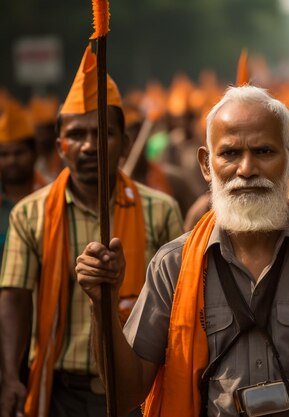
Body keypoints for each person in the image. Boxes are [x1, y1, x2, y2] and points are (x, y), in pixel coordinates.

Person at [75, 86, 289, 417]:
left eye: (264, 152)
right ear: (205, 164)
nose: (246, 169)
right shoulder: (173, 265)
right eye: (229, 154)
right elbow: (126, 394)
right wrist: (103, 305)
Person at [0, 45, 183, 417]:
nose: (89, 146)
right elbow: (15, 298)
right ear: (58, 146)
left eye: (102, 133)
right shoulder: (29, 214)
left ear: (125, 142)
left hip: (138, 387)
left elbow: (177, 303)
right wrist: (9, 376)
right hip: (61, 391)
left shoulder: (160, 209)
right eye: (76, 135)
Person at [0, 97, 47, 260]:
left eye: (19, 153)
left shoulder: (51, 199)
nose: (11, 160)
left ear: (34, 154)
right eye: (4, 154)